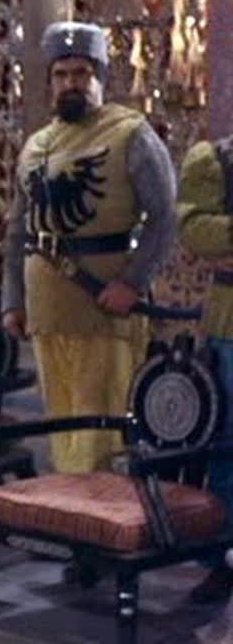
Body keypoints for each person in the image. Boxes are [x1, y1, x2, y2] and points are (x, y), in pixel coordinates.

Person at [1, 21, 177, 474]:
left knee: (101, 428)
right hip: (48, 309)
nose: (71, 83)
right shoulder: (36, 145)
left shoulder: (129, 134)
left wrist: (132, 282)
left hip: (103, 304)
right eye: (61, 75)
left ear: (99, 76)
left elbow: (164, 217)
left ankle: (101, 511)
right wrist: (13, 301)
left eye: (81, 73)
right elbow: (19, 230)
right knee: (61, 426)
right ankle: (69, 509)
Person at [177, 135, 233, 603]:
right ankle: (224, 560)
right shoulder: (217, 159)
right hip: (230, 325)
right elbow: (196, 230)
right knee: (227, 445)